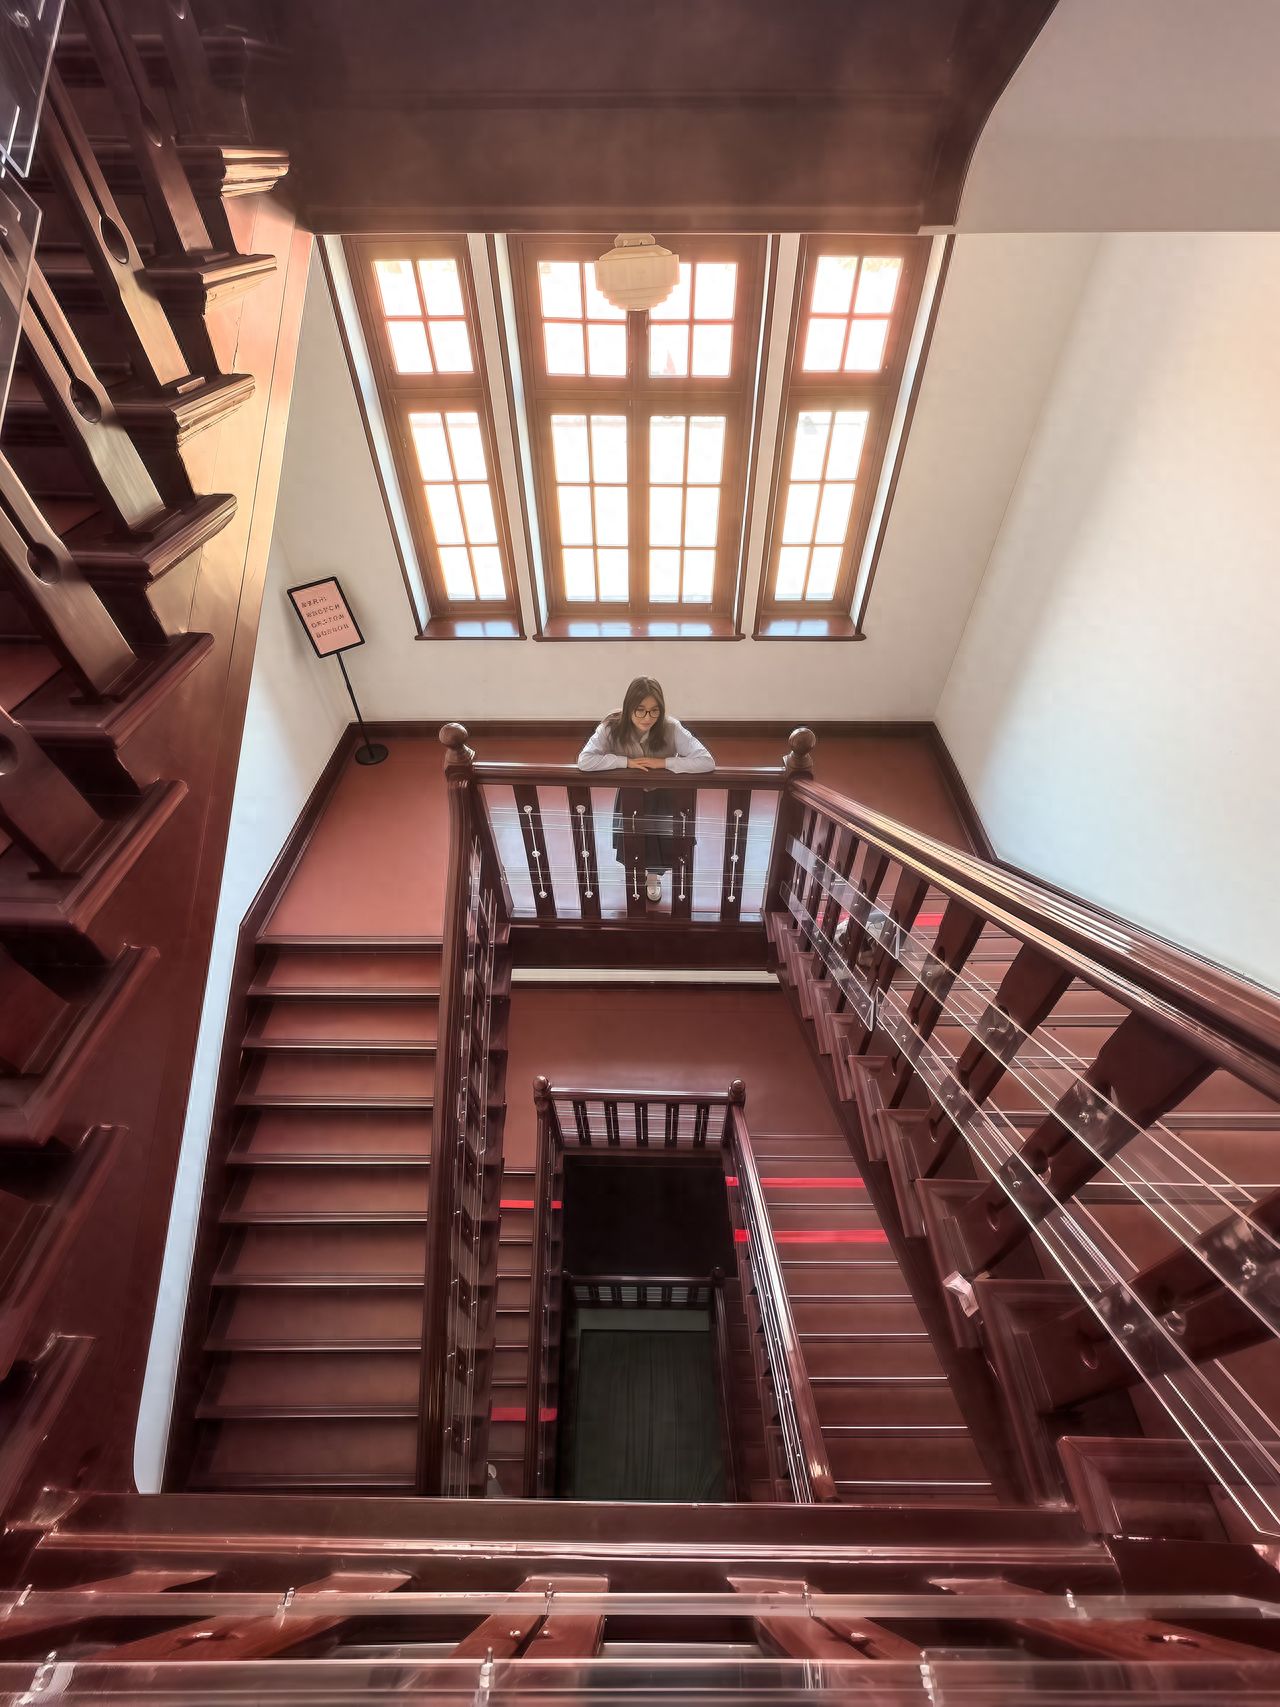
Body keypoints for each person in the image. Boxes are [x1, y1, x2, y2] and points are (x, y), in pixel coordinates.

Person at [577, 677, 714, 902]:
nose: (647, 718)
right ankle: (635, 872)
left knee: (659, 841)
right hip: (630, 795)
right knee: (632, 838)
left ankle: (653, 877)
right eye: (640, 710)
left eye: (654, 711)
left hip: (662, 795)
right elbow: (585, 761)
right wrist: (626, 762)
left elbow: (706, 761)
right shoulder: (611, 726)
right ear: (628, 707)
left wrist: (664, 763)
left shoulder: (671, 727)